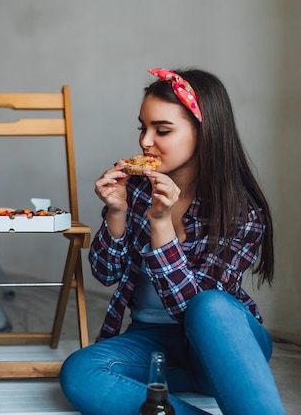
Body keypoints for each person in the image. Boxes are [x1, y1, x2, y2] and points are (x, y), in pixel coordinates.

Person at [59, 68, 285, 415]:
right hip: (151, 342)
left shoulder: (241, 212)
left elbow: (191, 310)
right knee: (80, 370)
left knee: (211, 305)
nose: (145, 142)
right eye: (142, 127)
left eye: (162, 130)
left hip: (222, 342)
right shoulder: (135, 191)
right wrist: (116, 212)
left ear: (204, 133)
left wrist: (161, 224)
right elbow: (105, 274)